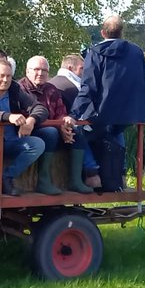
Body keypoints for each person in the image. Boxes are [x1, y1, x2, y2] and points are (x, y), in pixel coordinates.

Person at [71, 16, 145, 192]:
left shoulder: (95, 53)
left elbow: (89, 87)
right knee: (116, 133)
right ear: (122, 32)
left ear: (102, 32)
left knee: (78, 133)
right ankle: (120, 177)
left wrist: (74, 114)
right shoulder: (136, 52)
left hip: (103, 112)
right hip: (130, 113)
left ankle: (93, 174)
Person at [0, 59, 48, 196]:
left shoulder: (15, 89)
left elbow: (40, 107)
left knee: (38, 144)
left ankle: (7, 177)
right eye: (1, 75)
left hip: (12, 140)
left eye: (8, 76)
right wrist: (8, 116)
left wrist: (31, 121)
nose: (5, 80)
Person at [20, 56, 92, 194]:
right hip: (29, 132)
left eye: (44, 70)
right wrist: (57, 128)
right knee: (50, 133)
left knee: (77, 131)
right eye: (36, 69)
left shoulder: (51, 89)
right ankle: (43, 181)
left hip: (53, 129)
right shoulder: (20, 89)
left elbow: (61, 112)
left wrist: (64, 126)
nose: (40, 73)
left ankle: (75, 181)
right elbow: (23, 115)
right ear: (27, 71)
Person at [47, 53, 98, 190]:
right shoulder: (72, 86)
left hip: (58, 125)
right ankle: (92, 172)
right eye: (81, 68)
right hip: (63, 128)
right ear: (70, 68)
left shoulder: (52, 82)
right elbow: (83, 111)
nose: (84, 72)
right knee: (85, 133)